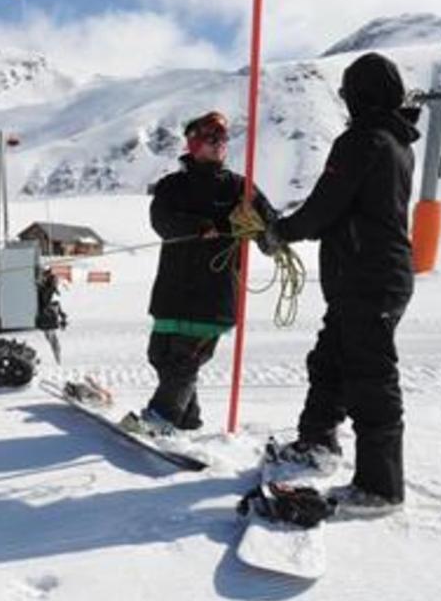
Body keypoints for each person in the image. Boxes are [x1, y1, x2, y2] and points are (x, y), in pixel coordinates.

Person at [264, 52, 421, 515]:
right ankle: (317, 444)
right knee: (330, 362)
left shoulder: (362, 140)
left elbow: (325, 207)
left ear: (358, 97)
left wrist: (281, 232)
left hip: (368, 278)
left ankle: (380, 487)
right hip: (370, 276)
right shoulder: (396, 141)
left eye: (348, 94)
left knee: (370, 379)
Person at [141, 111, 278, 434]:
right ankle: (188, 421)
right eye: (211, 139)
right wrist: (199, 226)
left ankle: (161, 419)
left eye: (223, 139)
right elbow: (161, 221)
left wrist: (262, 230)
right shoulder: (171, 186)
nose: (220, 145)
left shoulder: (241, 188)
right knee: (161, 355)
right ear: (193, 143)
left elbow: (272, 233)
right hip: (172, 292)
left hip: (213, 295)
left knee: (185, 361)